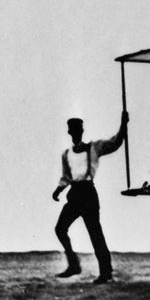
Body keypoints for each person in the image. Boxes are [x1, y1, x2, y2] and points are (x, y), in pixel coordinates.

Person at [52, 112, 128, 283]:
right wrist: (58, 190)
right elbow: (66, 176)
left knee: (95, 234)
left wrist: (123, 124)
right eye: (73, 131)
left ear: (82, 131)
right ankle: (74, 265)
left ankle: (106, 272)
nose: (75, 134)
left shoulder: (94, 148)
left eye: (78, 130)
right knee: (60, 229)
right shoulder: (66, 154)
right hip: (74, 194)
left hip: (88, 194)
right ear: (70, 133)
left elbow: (115, 142)